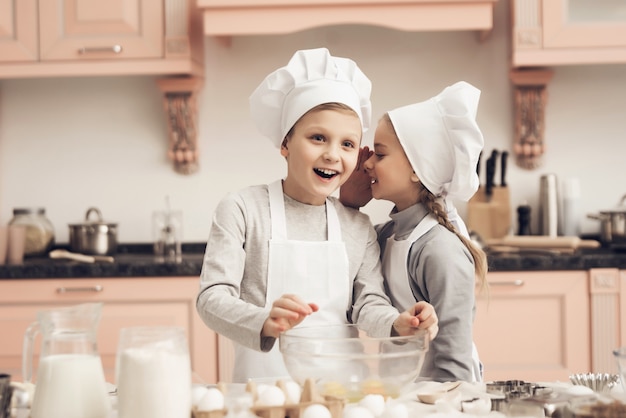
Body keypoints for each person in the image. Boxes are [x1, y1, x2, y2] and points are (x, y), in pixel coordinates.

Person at [196, 48, 438, 383]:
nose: (332, 154)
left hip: (343, 393)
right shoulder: (242, 209)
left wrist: (399, 323)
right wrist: (264, 321)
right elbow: (211, 299)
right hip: (265, 393)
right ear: (285, 143)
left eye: (347, 144)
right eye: (318, 137)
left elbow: (368, 303)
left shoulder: (356, 226)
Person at [340, 81, 488, 382]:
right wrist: (348, 205)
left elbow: (453, 361)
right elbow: (345, 268)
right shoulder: (385, 235)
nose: (366, 163)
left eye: (379, 155)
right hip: (400, 394)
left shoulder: (440, 250)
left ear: (417, 169)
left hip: (439, 401)